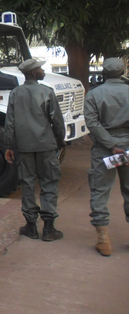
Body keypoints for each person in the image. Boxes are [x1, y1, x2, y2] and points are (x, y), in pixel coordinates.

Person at [4, 58, 66, 241]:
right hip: (46, 146)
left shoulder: (15, 93)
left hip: (24, 147)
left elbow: (10, 122)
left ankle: (31, 226)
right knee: (49, 183)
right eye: (40, 68)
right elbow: (56, 121)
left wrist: (9, 145)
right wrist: (60, 140)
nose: (43, 70)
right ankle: (48, 228)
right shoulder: (47, 92)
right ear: (33, 73)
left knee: (28, 184)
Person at [84, 57, 129, 256]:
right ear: (122, 71)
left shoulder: (95, 93)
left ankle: (104, 241)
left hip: (105, 150)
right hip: (128, 148)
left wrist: (111, 145)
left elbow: (92, 123)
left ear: (103, 73)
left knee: (100, 191)